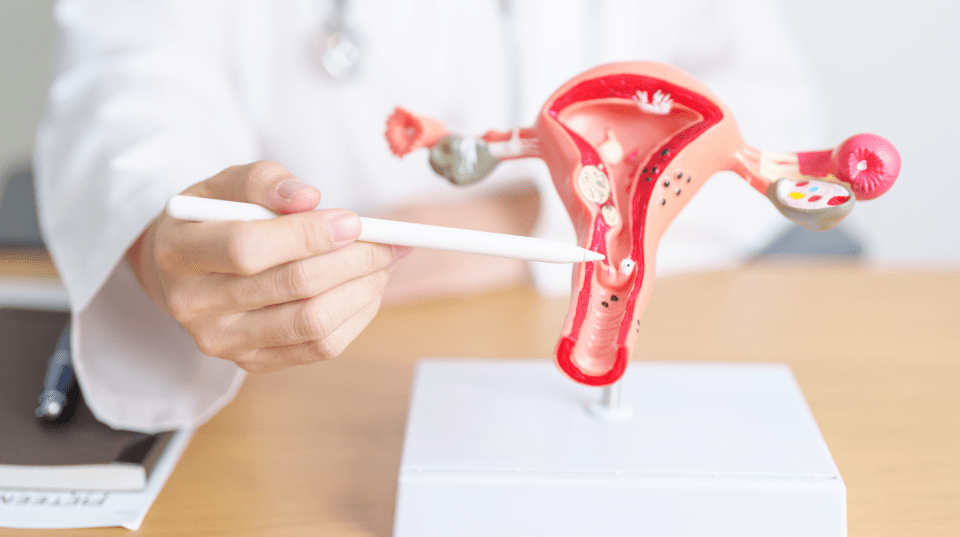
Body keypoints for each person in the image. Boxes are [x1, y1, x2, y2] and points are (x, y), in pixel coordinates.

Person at [34, 0, 822, 433]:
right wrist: (168, 240)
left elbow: (769, 112)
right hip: (310, 388)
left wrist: (515, 221)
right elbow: (130, 87)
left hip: (584, 305)